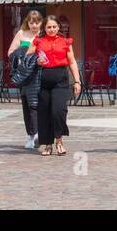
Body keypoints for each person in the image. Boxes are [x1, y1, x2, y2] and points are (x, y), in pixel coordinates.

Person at [26, 15, 80, 156]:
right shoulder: (38, 41)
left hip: (60, 80)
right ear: (44, 28)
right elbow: (27, 57)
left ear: (58, 27)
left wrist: (77, 81)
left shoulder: (66, 42)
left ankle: (59, 141)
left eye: (54, 27)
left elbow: (72, 62)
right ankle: (48, 145)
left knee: (58, 111)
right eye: (48, 27)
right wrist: (36, 60)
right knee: (44, 113)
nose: (51, 29)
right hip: (42, 81)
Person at [8, 9, 44, 150]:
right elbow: (10, 52)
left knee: (39, 105)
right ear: (27, 22)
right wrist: (22, 53)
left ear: (41, 22)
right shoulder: (21, 34)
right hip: (25, 75)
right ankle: (31, 135)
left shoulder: (44, 34)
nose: (34, 25)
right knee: (27, 105)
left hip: (41, 74)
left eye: (37, 22)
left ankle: (41, 133)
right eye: (31, 22)